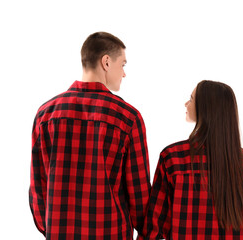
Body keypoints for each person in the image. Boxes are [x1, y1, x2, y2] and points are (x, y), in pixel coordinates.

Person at [29, 32, 151, 240]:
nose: (124, 73)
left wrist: (53, 228)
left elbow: (37, 190)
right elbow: (140, 198)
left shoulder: (45, 115)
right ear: (106, 62)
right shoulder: (128, 118)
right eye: (122, 64)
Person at [140, 80, 243, 239]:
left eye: (191, 98)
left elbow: (155, 228)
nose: (186, 103)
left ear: (205, 108)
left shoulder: (173, 158)